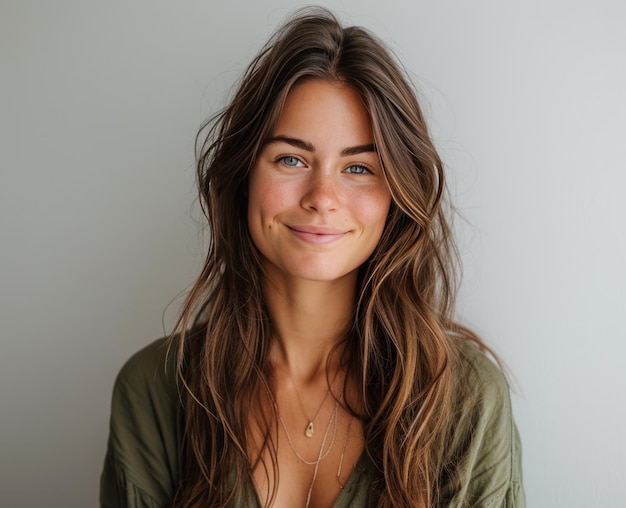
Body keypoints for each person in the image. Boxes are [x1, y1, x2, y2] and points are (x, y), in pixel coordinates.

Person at [101, 7, 524, 508]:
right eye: (291, 159)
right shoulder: (155, 391)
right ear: (243, 178)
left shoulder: (462, 397)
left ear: (398, 194)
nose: (322, 196)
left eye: (360, 168)